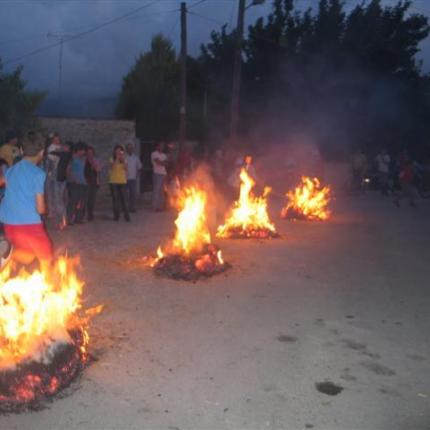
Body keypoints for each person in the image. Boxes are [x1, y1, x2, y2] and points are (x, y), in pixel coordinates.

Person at [0, 131, 52, 271]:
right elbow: (40, 209)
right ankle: (47, 288)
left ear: (21, 150)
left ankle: (5, 253)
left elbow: (2, 182)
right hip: (29, 224)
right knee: (45, 255)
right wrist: (46, 209)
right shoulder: (38, 174)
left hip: (8, 222)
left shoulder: (10, 171)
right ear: (42, 152)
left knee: (27, 256)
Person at [46, 133, 69, 227]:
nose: (57, 140)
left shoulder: (62, 148)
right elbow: (51, 157)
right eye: (55, 139)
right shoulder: (51, 148)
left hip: (59, 176)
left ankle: (62, 218)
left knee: (58, 198)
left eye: (58, 139)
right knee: (55, 197)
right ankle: (60, 217)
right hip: (54, 175)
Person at [66, 142, 88, 225]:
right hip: (74, 183)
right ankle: (69, 219)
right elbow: (68, 169)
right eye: (82, 150)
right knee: (73, 202)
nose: (84, 152)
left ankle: (78, 219)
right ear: (78, 150)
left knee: (81, 202)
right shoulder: (72, 158)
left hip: (83, 182)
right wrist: (71, 179)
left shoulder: (82, 159)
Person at [109, 145, 130, 221]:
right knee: (115, 199)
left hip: (122, 181)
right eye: (116, 150)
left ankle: (126, 216)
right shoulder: (112, 159)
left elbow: (126, 168)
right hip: (113, 181)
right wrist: (117, 159)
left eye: (120, 150)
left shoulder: (124, 159)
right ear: (114, 151)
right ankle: (116, 216)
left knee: (124, 199)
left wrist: (123, 159)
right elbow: (112, 167)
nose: (118, 152)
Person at [85, 146, 102, 221]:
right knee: (87, 199)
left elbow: (98, 170)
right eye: (88, 153)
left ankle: (90, 214)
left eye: (91, 153)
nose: (89, 154)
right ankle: (86, 214)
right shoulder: (84, 160)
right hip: (86, 182)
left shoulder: (96, 160)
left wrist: (94, 164)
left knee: (92, 199)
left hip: (94, 182)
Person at [125, 143, 142, 213]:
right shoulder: (124, 157)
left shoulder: (136, 157)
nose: (130, 149)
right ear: (126, 149)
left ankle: (132, 208)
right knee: (125, 194)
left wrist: (137, 175)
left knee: (133, 194)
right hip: (124, 178)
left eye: (131, 148)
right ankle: (125, 207)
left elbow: (139, 167)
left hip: (133, 178)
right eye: (128, 148)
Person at [151, 142, 167, 211]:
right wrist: (163, 162)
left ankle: (160, 207)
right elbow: (158, 162)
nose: (162, 147)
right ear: (157, 147)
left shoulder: (164, 155)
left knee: (162, 191)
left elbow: (166, 164)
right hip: (157, 174)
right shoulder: (154, 154)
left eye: (163, 146)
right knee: (156, 191)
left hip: (163, 174)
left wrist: (162, 162)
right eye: (160, 146)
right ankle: (155, 207)